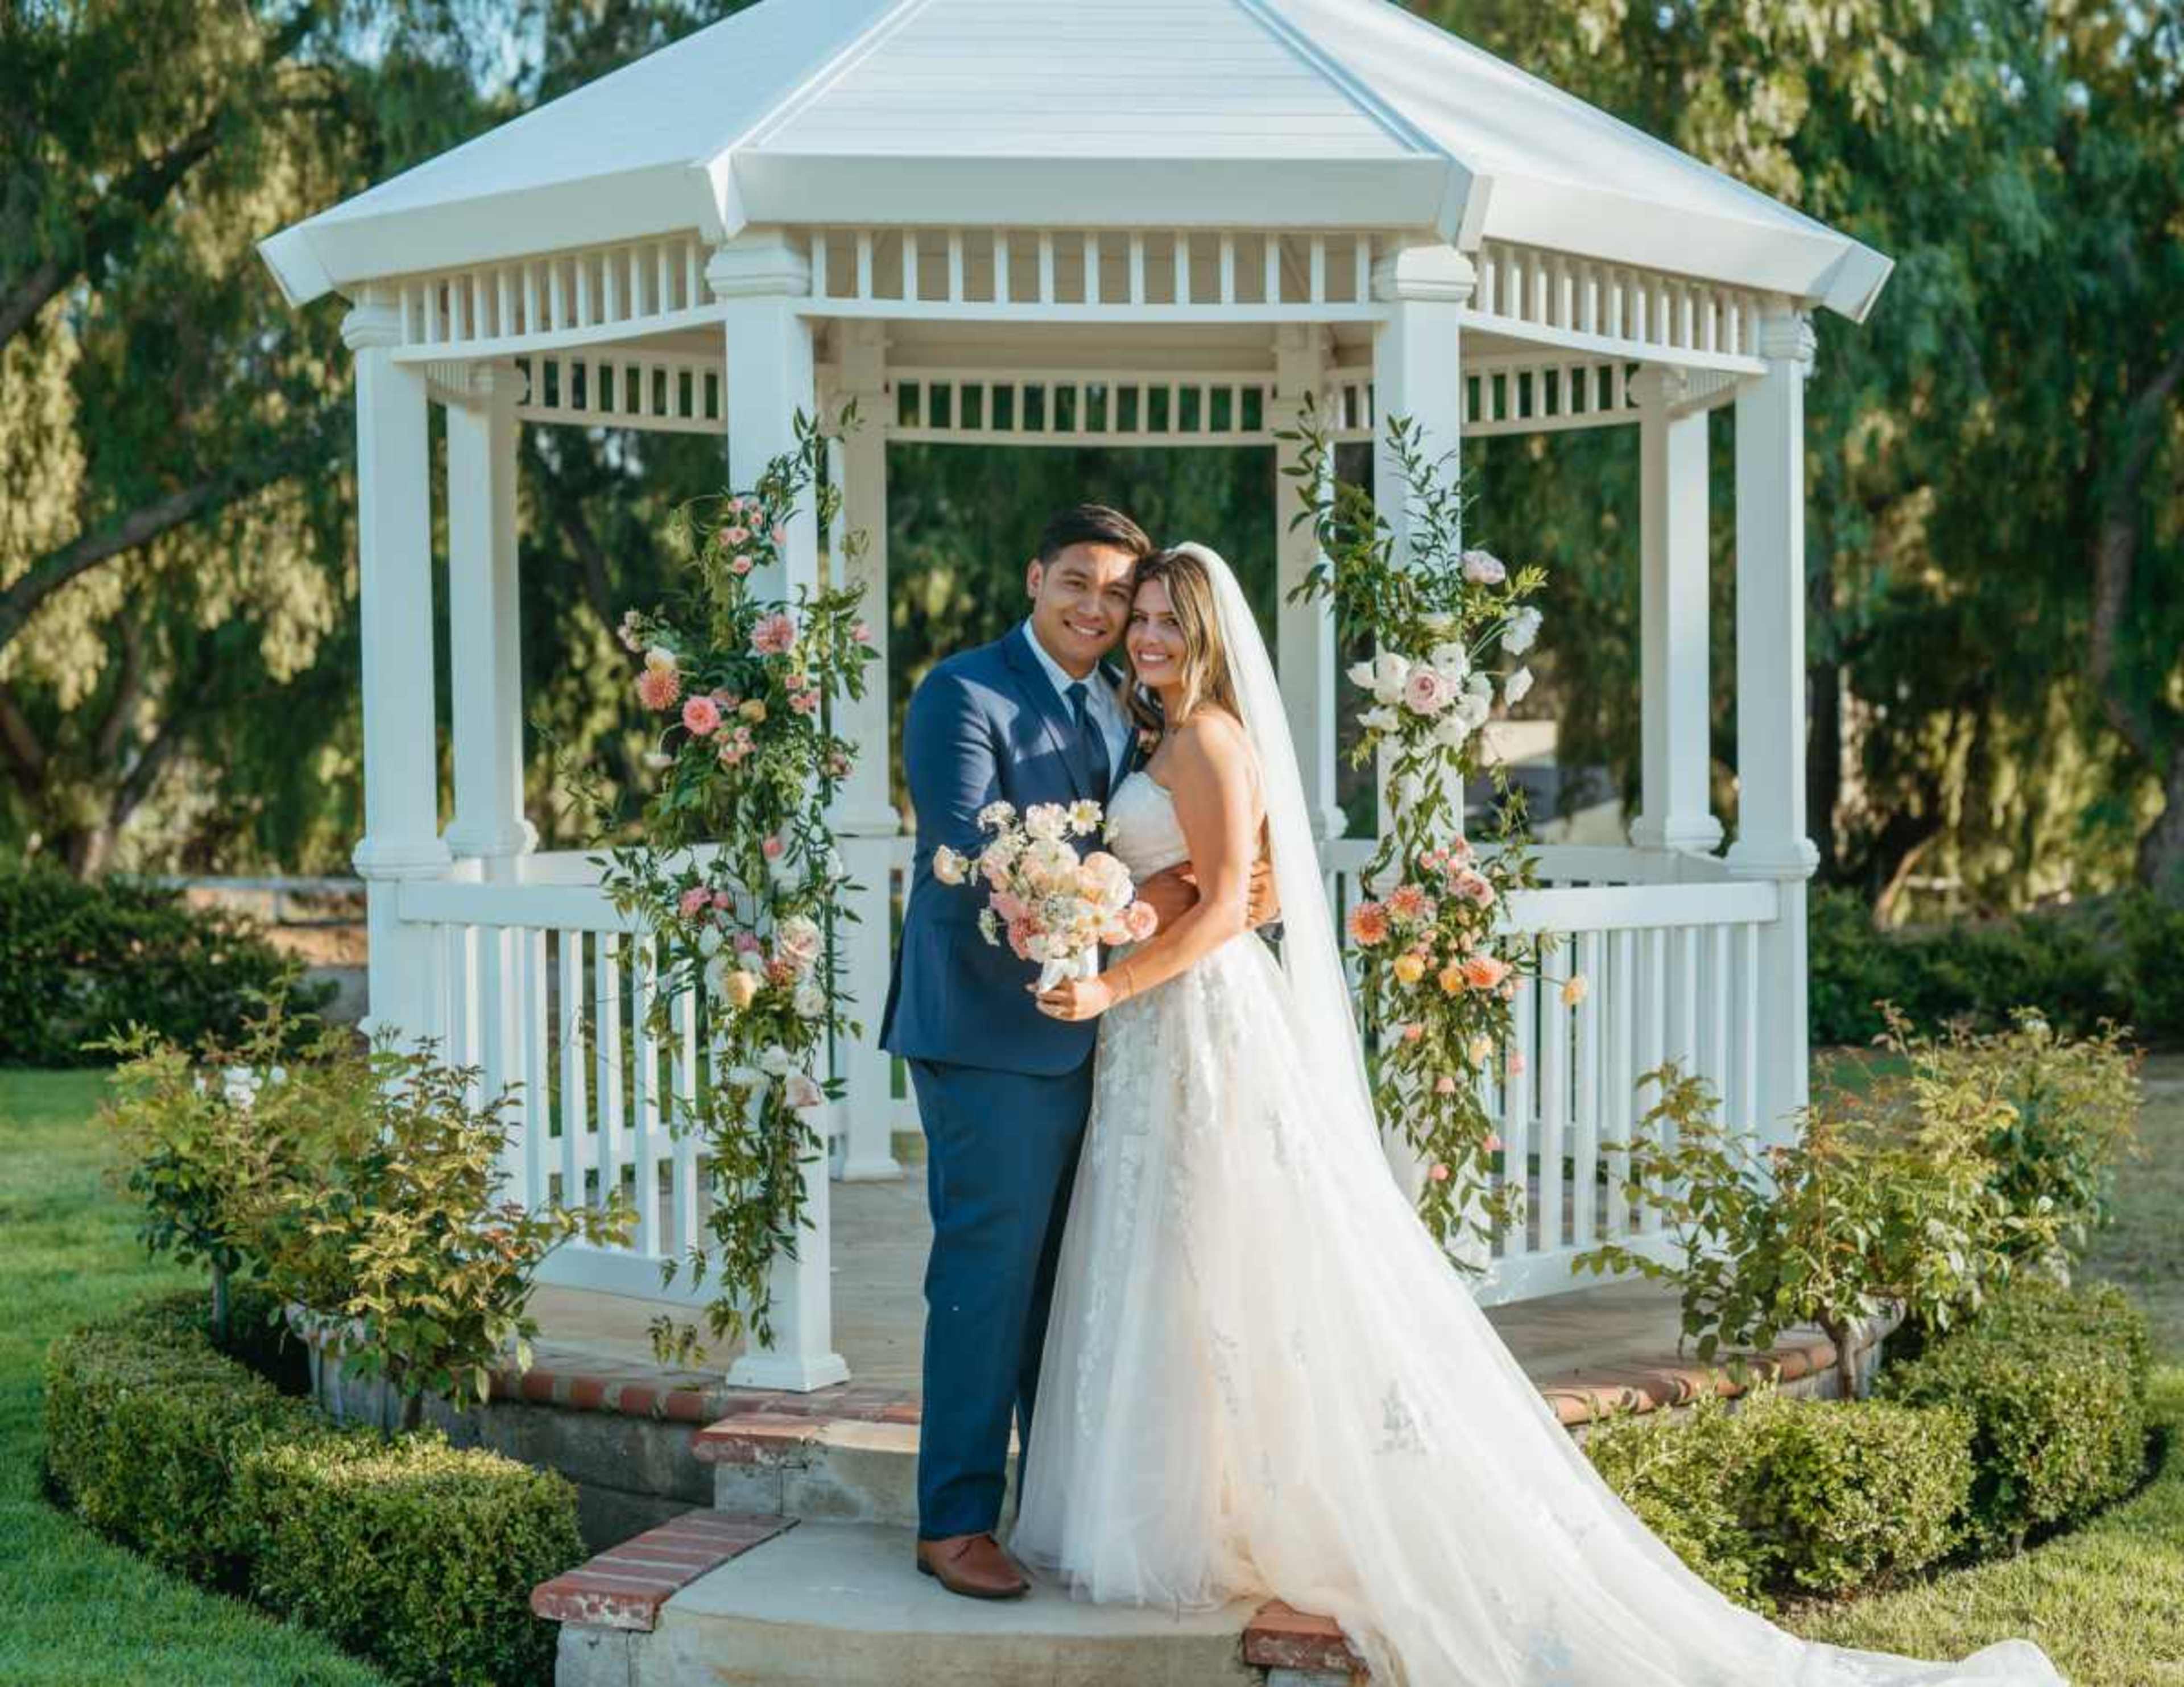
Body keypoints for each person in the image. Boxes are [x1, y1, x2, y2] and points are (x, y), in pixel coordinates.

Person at [1012, 542, 2065, 1686]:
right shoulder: (1157, 733)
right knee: (1171, 1261)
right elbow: (1198, 882)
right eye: (1144, 617)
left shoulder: (1211, 737)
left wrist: (1112, 980)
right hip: (1151, 1029)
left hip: (1199, 1022)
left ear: (1211, 631)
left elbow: (1227, 912)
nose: (1151, 634)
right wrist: (1114, 912)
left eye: (1171, 618)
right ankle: (1180, 1496)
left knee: (1227, 1254)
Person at [878, 506, 1275, 1600]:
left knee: (1074, 1281)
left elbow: (1214, 866)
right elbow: (972, 853)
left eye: (1125, 599)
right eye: (1084, 586)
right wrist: (1130, 911)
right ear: (1036, 575)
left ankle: (1057, 1495)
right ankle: (953, 1518)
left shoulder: (1133, 711)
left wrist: (1168, 911)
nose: (1101, 612)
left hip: (1115, 1030)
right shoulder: (964, 692)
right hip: (989, 1036)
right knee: (987, 1273)